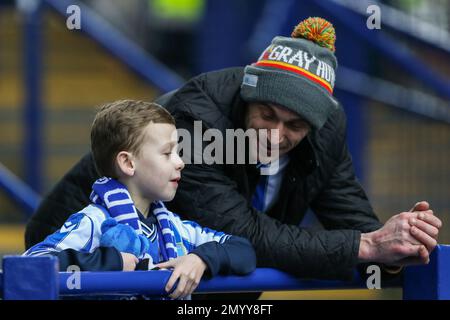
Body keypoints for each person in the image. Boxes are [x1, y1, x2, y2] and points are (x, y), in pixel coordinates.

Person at [26, 17, 441, 281]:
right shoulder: (196, 120)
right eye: (266, 115)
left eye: (294, 126)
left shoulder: (326, 131)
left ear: (314, 125)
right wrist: (365, 246)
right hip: (83, 272)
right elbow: (244, 234)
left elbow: (354, 229)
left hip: (188, 278)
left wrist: (396, 247)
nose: (275, 136)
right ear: (247, 96)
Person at [24, 100, 256, 299]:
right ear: (128, 163)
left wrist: (200, 259)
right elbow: (30, 266)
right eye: (168, 153)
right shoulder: (94, 221)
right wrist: (112, 263)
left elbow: (244, 251)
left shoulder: (176, 227)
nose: (180, 162)